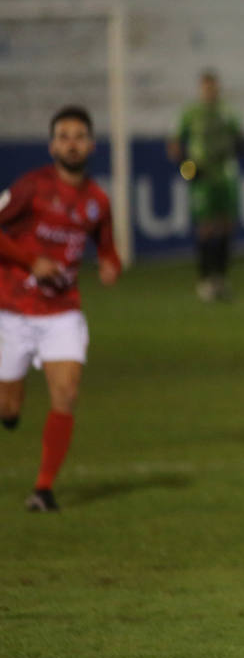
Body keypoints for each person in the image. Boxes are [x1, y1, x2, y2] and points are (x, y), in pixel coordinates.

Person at [0, 106, 122, 512]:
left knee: (66, 392)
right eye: (64, 136)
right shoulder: (30, 188)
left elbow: (107, 250)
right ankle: (10, 411)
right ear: (53, 145)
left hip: (62, 311)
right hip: (13, 309)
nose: (72, 143)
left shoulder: (97, 201)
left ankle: (44, 489)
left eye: (79, 135)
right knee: (8, 406)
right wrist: (29, 261)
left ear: (91, 144)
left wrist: (110, 265)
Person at [167, 69, 244, 302]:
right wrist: (187, 168)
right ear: (201, 89)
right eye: (206, 87)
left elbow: (240, 137)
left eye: (213, 87)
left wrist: (242, 145)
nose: (210, 91)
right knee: (206, 227)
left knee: (227, 225)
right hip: (202, 176)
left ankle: (220, 278)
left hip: (225, 175)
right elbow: (174, 145)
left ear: (218, 88)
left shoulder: (227, 112)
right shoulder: (190, 113)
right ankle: (204, 280)